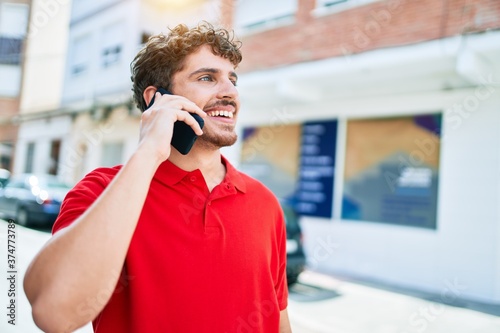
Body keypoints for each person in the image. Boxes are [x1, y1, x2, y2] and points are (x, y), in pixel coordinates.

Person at [23, 22, 292, 333]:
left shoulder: (265, 203)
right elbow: (54, 313)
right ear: (157, 98)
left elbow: (278, 317)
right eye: (207, 78)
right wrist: (150, 149)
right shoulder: (101, 190)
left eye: (232, 80)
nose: (229, 92)